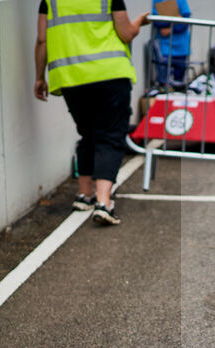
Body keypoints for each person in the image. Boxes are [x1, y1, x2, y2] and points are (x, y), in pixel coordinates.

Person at [34, 0, 149, 226]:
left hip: (71, 78)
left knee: (88, 133)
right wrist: (139, 22)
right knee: (111, 136)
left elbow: (42, 40)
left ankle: (85, 195)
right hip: (109, 73)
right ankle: (104, 203)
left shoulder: (50, 1)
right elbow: (126, 33)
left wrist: (39, 77)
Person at [151, 0, 191, 88]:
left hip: (181, 48)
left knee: (179, 81)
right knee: (164, 81)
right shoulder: (156, 1)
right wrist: (177, 18)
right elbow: (158, 22)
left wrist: (169, 29)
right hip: (165, 47)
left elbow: (184, 23)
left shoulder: (181, 1)